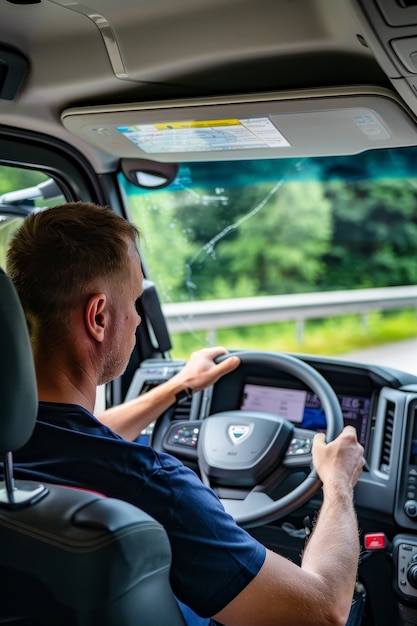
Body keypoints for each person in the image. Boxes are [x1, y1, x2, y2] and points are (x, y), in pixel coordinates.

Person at [6, 201, 365, 626]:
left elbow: (81, 439)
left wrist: (177, 387)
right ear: (99, 317)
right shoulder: (156, 487)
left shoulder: (15, 443)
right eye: (136, 301)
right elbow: (324, 610)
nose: (139, 319)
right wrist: (338, 484)